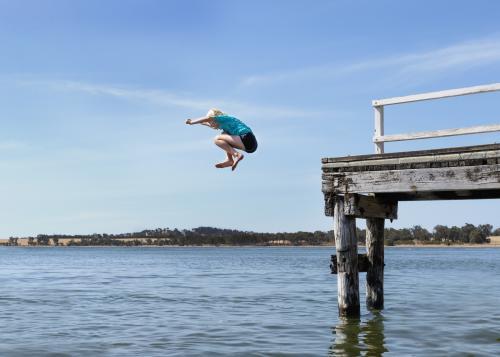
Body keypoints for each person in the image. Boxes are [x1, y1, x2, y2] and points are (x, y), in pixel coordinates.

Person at [185, 109, 258, 170]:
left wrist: (192, 122)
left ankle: (236, 155)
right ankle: (230, 160)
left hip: (246, 137)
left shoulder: (222, 117)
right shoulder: (225, 123)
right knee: (224, 134)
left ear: (214, 118)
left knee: (217, 139)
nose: (210, 124)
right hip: (251, 146)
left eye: (211, 122)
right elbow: (210, 123)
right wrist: (201, 122)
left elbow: (208, 118)